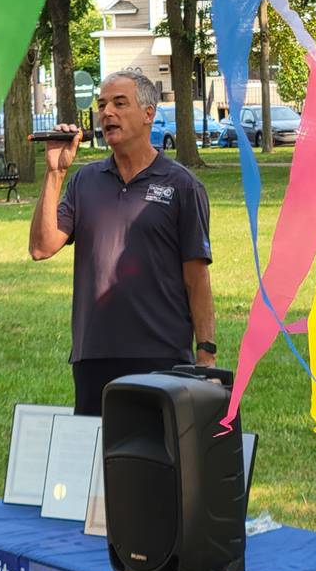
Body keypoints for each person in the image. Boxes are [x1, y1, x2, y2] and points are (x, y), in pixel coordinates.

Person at [29, 70, 216, 415]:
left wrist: (206, 355)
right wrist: (55, 172)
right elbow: (42, 247)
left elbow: (197, 278)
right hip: (94, 356)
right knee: (100, 464)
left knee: (156, 464)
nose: (107, 113)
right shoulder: (85, 181)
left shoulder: (182, 186)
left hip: (162, 356)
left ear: (148, 114)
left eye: (119, 103)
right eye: (101, 105)